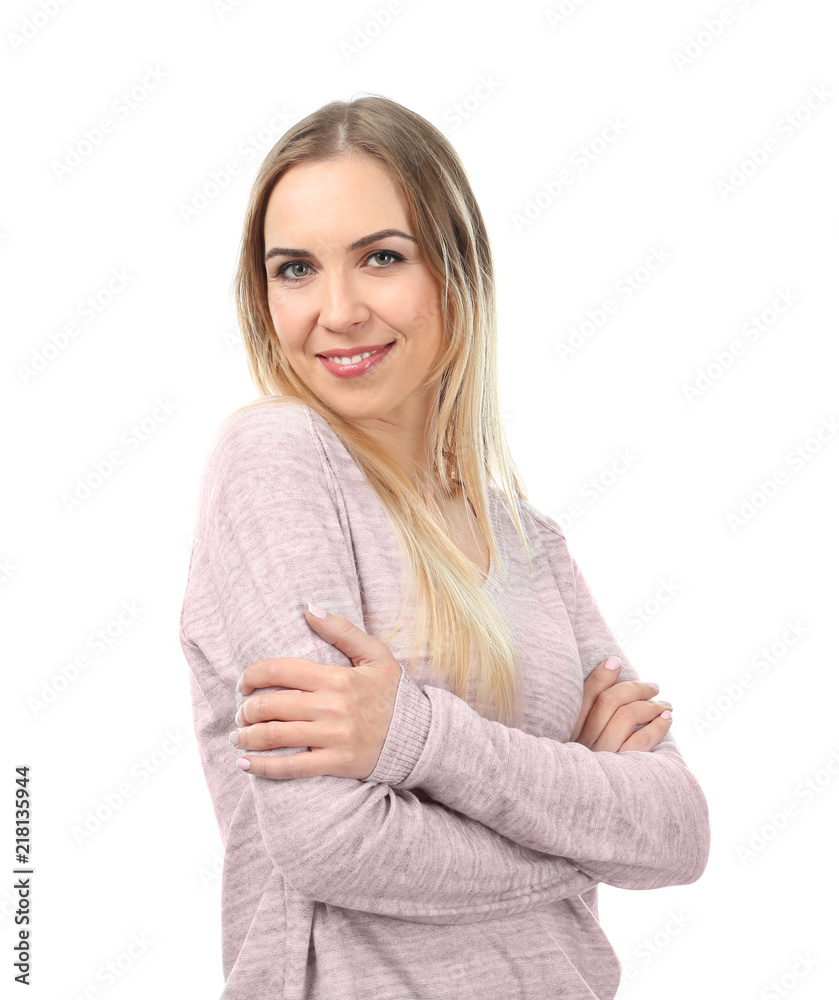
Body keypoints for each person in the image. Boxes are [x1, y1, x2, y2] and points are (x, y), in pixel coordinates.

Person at [179, 93, 710, 1000]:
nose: (336, 310)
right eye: (295, 269)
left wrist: (411, 739)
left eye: (381, 258)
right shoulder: (274, 461)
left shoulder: (526, 539)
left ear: (455, 272)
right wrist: (581, 840)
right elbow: (331, 842)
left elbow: (674, 831)